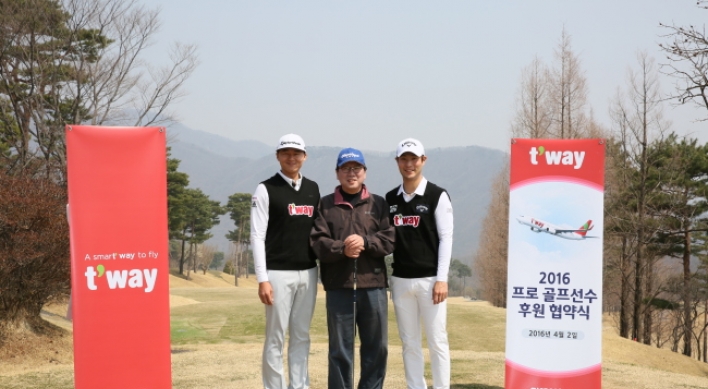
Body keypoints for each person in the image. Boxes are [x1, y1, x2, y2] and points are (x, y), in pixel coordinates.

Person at [310, 148, 395, 389]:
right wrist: (341, 249)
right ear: (337, 173)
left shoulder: (379, 203)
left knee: (377, 349)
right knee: (340, 351)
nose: (351, 173)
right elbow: (318, 242)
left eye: (356, 168)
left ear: (365, 172)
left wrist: (366, 242)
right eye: (346, 169)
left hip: (374, 286)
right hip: (339, 287)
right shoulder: (325, 205)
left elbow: (389, 240)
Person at [251, 134, 320, 389]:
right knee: (275, 338)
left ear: (305, 156)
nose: (292, 158)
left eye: (296, 153)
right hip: (277, 273)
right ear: (278, 156)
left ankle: (300, 386)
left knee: (301, 336)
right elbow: (257, 236)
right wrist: (262, 279)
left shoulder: (313, 188)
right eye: (286, 153)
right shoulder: (265, 188)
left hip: (309, 272)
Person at [386, 138, 454, 389]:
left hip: (430, 281)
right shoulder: (390, 198)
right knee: (409, 343)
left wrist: (442, 279)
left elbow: (446, 237)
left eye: (414, 159)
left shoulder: (437, 195)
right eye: (404, 159)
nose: (409, 164)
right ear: (397, 162)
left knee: (437, 341)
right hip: (401, 280)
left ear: (423, 160)